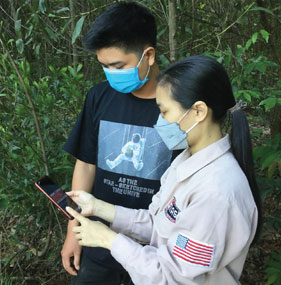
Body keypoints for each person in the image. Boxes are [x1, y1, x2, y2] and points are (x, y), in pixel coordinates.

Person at [66, 55, 262, 285]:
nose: (159, 121)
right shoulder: (187, 162)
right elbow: (159, 225)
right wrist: (99, 207)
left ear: (198, 111)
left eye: (165, 111)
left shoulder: (217, 192)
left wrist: (108, 239)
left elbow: (172, 277)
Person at [61, 2, 178, 284]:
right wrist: (73, 232)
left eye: (118, 66)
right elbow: (86, 164)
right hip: (98, 244)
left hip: (156, 249)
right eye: (104, 67)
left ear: (148, 55)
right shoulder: (100, 97)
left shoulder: (178, 104)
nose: (111, 73)